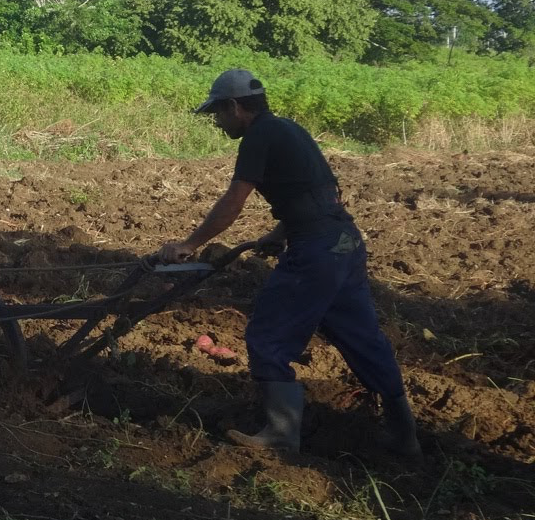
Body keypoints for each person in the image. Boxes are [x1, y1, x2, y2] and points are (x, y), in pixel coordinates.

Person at [158, 69, 420, 459]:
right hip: (343, 243)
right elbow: (320, 192)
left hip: (314, 250)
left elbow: (234, 200)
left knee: (268, 335)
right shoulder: (288, 129)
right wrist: (280, 232)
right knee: (362, 337)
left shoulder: (258, 136)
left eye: (218, 112)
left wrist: (190, 243)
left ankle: (281, 432)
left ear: (234, 107)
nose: (217, 121)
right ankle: (404, 434)